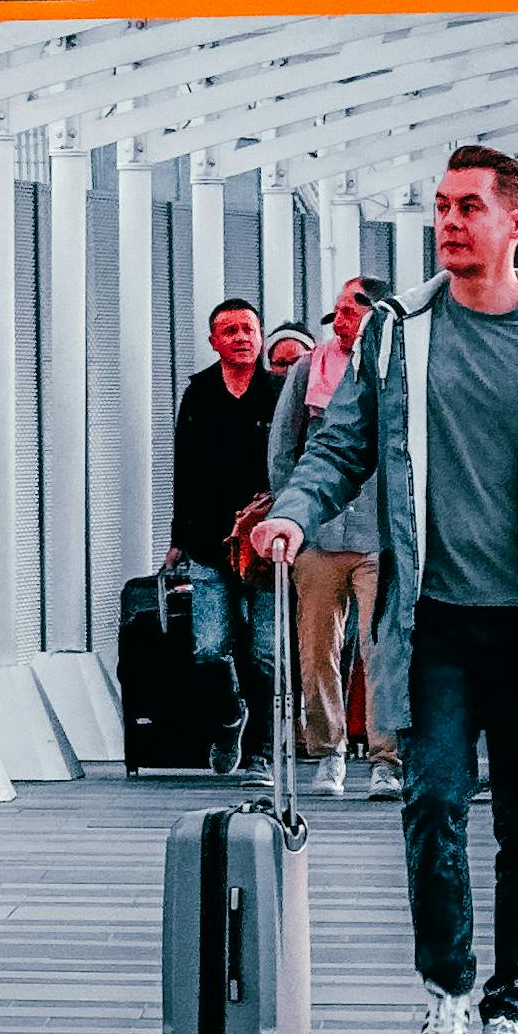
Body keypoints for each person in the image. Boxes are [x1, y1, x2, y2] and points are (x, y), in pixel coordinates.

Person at [255, 148, 518, 1034]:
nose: (449, 222)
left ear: (517, 219)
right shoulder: (397, 337)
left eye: (469, 206)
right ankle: (447, 993)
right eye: (439, 207)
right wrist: (292, 511)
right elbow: (340, 444)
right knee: (430, 804)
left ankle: (513, 1007)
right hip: (430, 622)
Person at [268, 277, 401, 800]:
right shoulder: (308, 370)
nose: (340, 320)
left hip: (379, 534)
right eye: (338, 311)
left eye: (350, 310)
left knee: (382, 646)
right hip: (320, 536)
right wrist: (293, 516)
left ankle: (386, 757)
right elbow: (283, 450)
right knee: (317, 647)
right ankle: (328, 752)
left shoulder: (396, 369)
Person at [167, 296, 286, 776]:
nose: (241, 338)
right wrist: (178, 535)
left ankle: (259, 749)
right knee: (209, 648)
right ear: (213, 341)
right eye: (229, 331)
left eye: (248, 330)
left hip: (264, 544)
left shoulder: (279, 392)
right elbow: (184, 468)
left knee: (264, 651)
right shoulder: (198, 393)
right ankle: (230, 715)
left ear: (261, 337)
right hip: (207, 540)